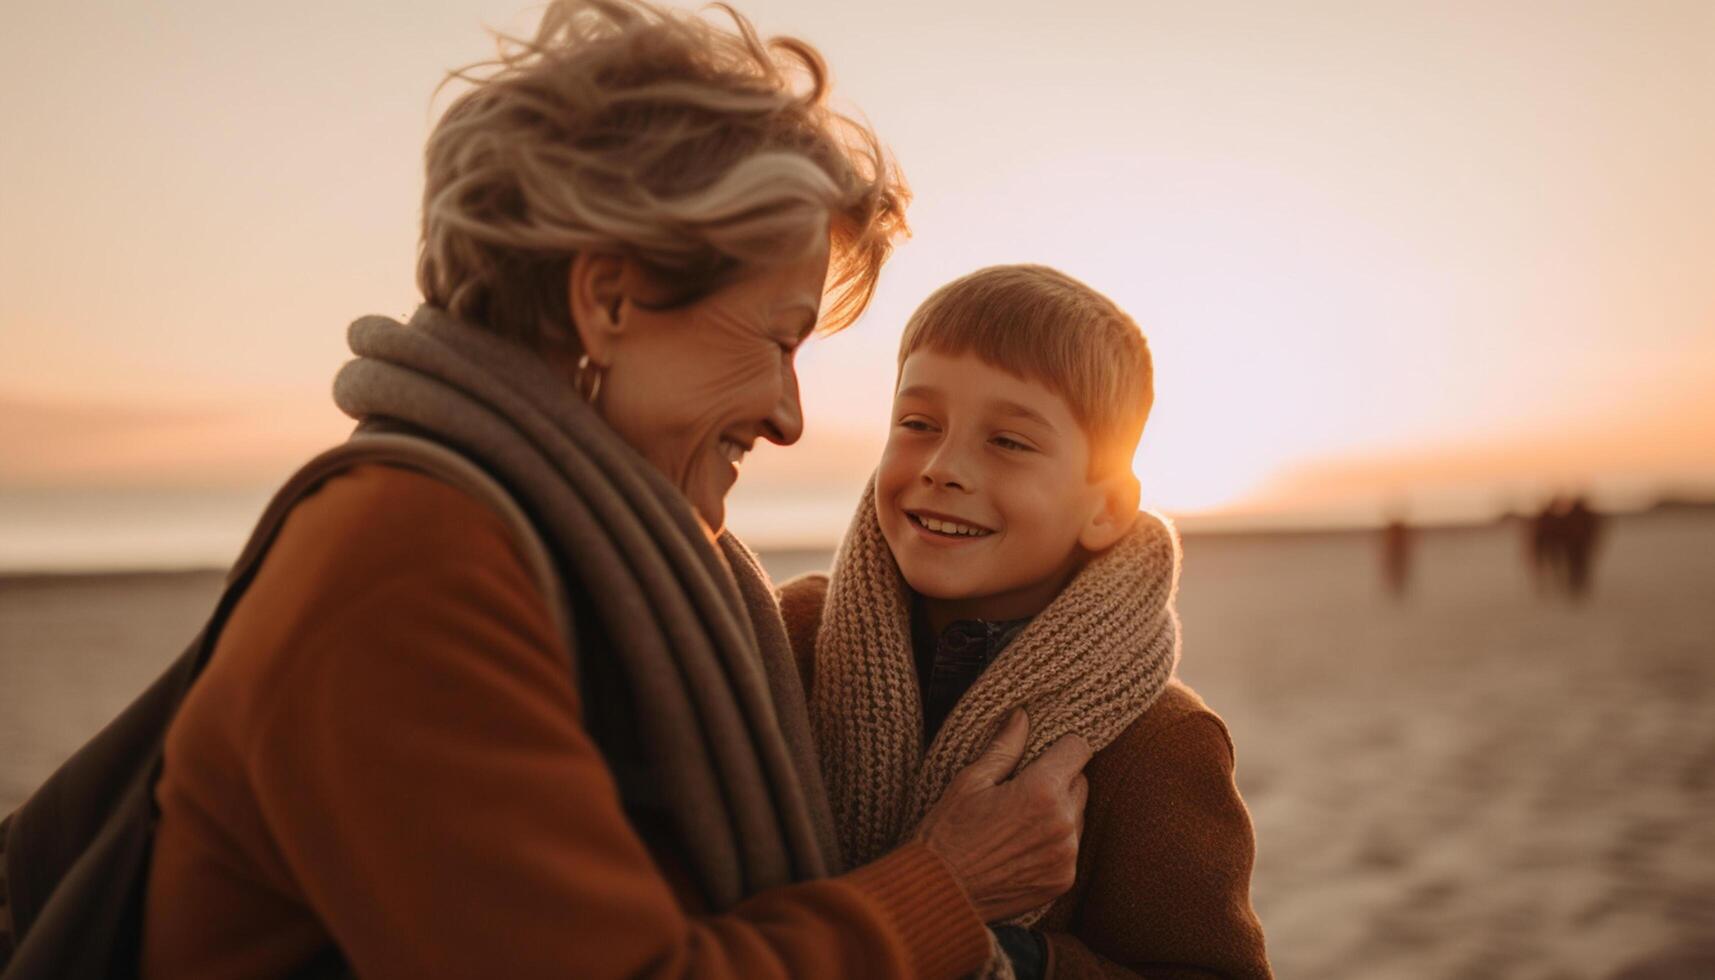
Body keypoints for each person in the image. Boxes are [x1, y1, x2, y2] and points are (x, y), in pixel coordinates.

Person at [140, 4, 1091, 978]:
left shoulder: (543, 553)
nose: (787, 414)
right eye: (776, 338)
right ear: (609, 301)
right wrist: (943, 886)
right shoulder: (410, 563)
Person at [781, 266, 1272, 979]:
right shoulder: (791, 637)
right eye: (917, 424)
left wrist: (1022, 961)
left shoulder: (1156, 742)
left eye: (1008, 442)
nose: (944, 466)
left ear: (1104, 508)